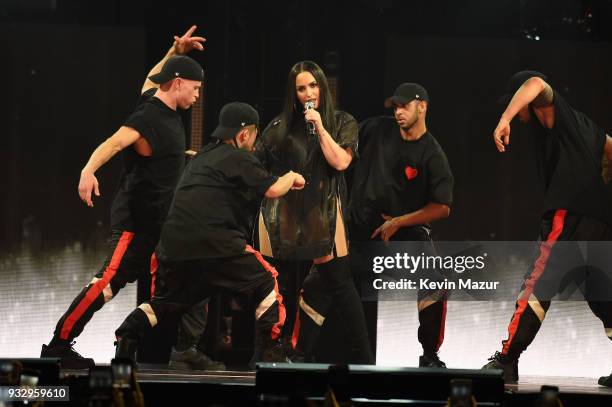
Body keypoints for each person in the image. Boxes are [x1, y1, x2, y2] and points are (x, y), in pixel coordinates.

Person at [40, 26, 222, 370]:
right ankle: (59, 344)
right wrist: (88, 170)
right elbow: (114, 143)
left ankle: (169, 347)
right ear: (180, 82)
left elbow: (153, 79)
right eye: (196, 89)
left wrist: (176, 51)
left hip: (160, 223)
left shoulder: (160, 106)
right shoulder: (148, 116)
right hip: (135, 222)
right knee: (109, 281)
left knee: (187, 275)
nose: (198, 96)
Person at [113, 102, 306, 365]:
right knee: (266, 281)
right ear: (243, 135)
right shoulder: (239, 157)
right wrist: (293, 176)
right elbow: (273, 189)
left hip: (172, 248)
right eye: (253, 136)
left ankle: (127, 339)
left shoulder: (202, 157)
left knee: (169, 301)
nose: (253, 143)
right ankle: (271, 354)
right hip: (215, 243)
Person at [482, 70, 612, 383]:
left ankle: (506, 360)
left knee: (538, 284)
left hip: (569, 214)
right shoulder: (584, 125)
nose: (520, 113)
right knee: (604, 295)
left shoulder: (557, 115)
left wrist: (505, 118)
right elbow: (610, 149)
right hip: (599, 220)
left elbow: (536, 84)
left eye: (519, 106)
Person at [255, 60, 373, 364]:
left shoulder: (342, 121)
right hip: (284, 214)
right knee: (276, 284)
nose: (308, 93)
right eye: (301, 88)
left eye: (313, 85)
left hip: (324, 212)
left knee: (339, 283)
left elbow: (341, 163)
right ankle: (271, 354)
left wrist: (319, 126)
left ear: (322, 86)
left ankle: (363, 360)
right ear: (293, 94)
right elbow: (257, 168)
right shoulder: (278, 128)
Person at [348, 83, 453, 368]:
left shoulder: (431, 153)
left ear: (422, 106)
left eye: (404, 106)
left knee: (434, 279)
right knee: (320, 279)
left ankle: (430, 355)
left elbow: (442, 207)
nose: (398, 112)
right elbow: (344, 144)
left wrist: (399, 221)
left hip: (403, 232)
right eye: (395, 106)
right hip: (358, 227)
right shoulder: (376, 129)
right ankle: (295, 353)